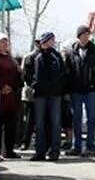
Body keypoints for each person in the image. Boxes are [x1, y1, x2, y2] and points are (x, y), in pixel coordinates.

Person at [65, 25, 95, 157]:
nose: (86, 36)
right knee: (76, 119)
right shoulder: (71, 52)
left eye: (87, 34)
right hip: (76, 91)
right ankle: (76, 146)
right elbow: (68, 72)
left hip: (90, 91)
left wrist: (94, 82)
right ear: (78, 36)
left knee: (91, 119)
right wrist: (68, 88)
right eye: (83, 34)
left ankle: (90, 147)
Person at [26, 31, 66, 161]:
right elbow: (27, 73)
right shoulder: (34, 56)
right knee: (39, 124)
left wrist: (59, 87)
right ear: (45, 41)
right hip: (39, 95)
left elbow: (63, 73)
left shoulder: (57, 56)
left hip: (55, 94)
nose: (53, 42)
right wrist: (34, 85)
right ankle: (40, 152)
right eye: (51, 40)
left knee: (55, 123)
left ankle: (55, 151)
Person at [0, 32, 22, 161]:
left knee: (10, 124)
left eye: (6, 42)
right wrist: (2, 86)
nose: (5, 44)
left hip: (11, 96)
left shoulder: (10, 58)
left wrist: (17, 80)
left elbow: (16, 74)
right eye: (2, 42)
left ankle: (9, 150)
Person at [19, 40, 40, 151]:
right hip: (30, 94)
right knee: (29, 120)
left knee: (38, 120)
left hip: (41, 94)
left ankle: (38, 142)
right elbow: (25, 74)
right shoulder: (29, 57)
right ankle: (25, 142)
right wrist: (33, 85)